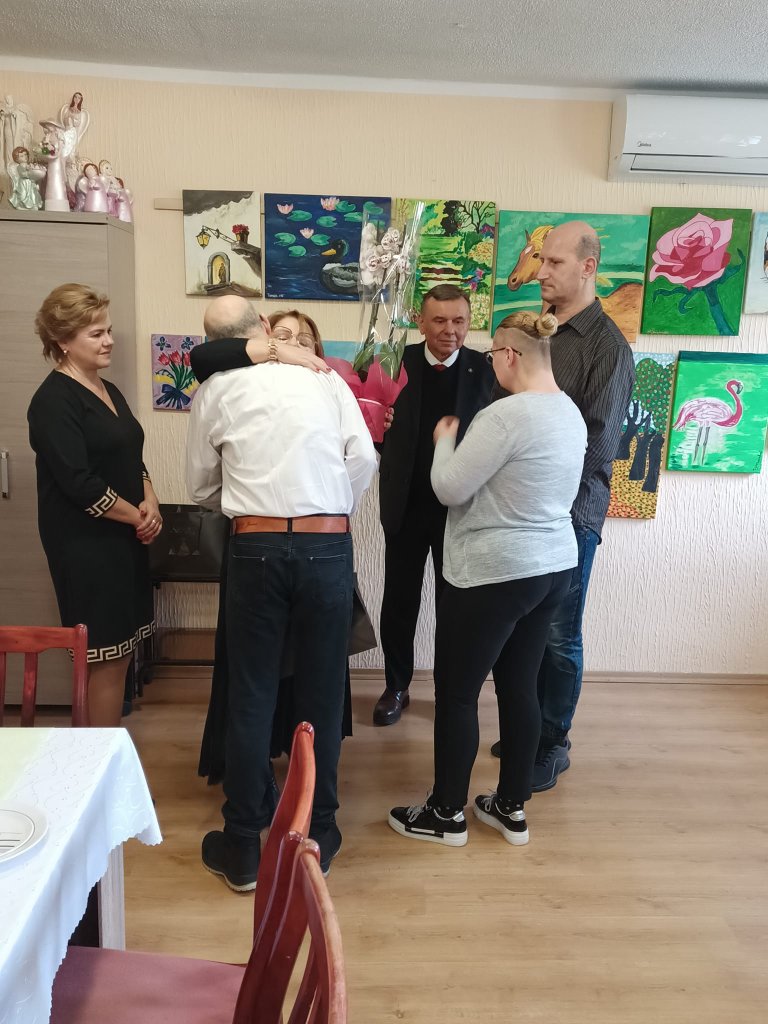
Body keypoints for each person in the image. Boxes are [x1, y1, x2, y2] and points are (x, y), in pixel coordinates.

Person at [187, 297, 377, 890]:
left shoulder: (214, 389)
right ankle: (318, 834)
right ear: (265, 328)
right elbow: (363, 458)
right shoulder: (324, 378)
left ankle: (244, 844)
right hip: (327, 544)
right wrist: (326, 504)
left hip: (255, 546)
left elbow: (200, 486)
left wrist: (253, 506)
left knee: (251, 695)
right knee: (322, 694)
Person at [389, 312, 586, 848]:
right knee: (519, 686)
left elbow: (449, 488)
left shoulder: (505, 416)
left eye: (493, 353)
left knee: (457, 692)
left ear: (510, 354)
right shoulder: (568, 412)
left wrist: (444, 440)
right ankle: (511, 806)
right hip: (552, 568)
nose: (491, 362)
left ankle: (445, 814)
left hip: (495, 572)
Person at [489, 221, 635, 792]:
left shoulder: (607, 347)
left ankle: (552, 742)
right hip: (519, 514)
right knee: (522, 629)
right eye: (540, 260)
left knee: (557, 635)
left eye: (553, 262)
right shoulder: (535, 331)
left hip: (570, 518)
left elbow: (600, 443)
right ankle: (527, 729)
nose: (540, 272)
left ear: (587, 268)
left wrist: (535, 491)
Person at [27, 284, 160, 727]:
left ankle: (104, 749)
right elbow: (79, 483)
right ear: (62, 341)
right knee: (105, 656)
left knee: (122, 653)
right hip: (86, 545)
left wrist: (151, 499)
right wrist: (138, 517)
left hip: (123, 538)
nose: (109, 341)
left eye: (109, 330)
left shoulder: (108, 388)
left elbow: (131, 456)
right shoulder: (53, 400)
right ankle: (96, 754)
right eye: (96, 334)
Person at [373, 283, 495, 726]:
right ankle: (396, 685)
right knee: (399, 603)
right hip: (405, 507)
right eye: (439, 320)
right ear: (421, 323)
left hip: (459, 511)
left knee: (455, 607)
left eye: (459, 321)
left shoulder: (485, 371)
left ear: (469, 322)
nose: (450, 330)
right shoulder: (392, 363)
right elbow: (369, 431)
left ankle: (451, 691)